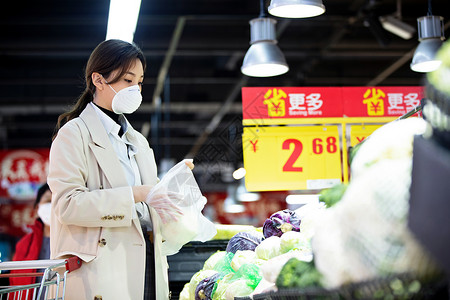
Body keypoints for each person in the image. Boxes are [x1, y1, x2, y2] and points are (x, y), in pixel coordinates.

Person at [48, 39, 192, 300]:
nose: (136, 89)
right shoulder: (74, 134)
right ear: (98, 80)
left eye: (139, 81)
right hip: (102, 269)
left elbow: (150, 200)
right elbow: (67, 205)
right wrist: (137, 194)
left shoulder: (138, 140)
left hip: (148, 259)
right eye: (127, 80)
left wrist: (173, 189)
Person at [10, 183, 52, 299]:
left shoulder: (74, 240)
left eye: (57, 201)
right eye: (48, 201)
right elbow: (14, 283)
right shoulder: (24, 244)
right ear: (38, 207)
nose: (52, 206)